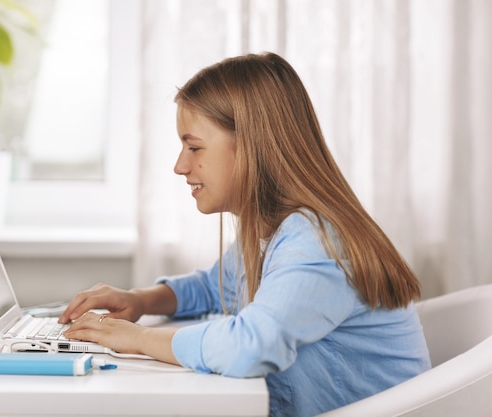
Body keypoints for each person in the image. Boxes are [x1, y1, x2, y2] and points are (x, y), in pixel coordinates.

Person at [58, 52, 431, 417]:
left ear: (252, 146)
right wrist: (139, 300)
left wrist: (136, 339)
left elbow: (252, 345)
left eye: (194, 147)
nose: (180, 165)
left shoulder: (314, 240)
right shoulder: (276, 229)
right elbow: (213, 286)